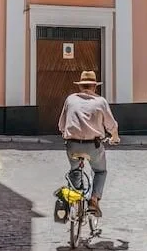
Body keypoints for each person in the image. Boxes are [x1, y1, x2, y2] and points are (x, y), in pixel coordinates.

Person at [58, 70, 120, 217]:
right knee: (100, 171)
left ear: (80, 86)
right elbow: (111, 125)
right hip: (93, 145)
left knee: (75, 170)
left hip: (72, 144)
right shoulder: (101, 101)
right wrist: (114, 138)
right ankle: (93, 200)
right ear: (94, 87)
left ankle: (74, 199)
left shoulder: (70, 99)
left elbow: (61, 125)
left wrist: (67, 134)